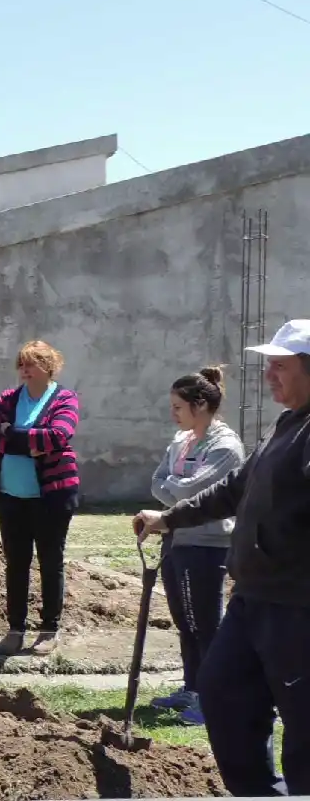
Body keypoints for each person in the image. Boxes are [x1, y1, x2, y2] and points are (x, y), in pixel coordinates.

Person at [135, 320, 310, 797]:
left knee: (303, 720)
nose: (269, 375)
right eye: (268, 365)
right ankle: (260, 792)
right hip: (254, 597)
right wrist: (169, 518)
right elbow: (236, 489)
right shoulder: (287, 424)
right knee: (223, 692)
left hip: (296, 604)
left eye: (280, 366)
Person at [148, 366, 244, 725]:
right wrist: (178, 484)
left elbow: (195, 492)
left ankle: (213, 697)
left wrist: (176, 486)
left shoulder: (225, 446)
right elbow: (157, 482)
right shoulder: (181, 441)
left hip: (206, 544)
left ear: (199, 404)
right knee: (185, 622)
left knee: (206, 623)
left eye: (177, 407)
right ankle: (193, 686)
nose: (172, 414)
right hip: (176, 537)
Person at [0, 340, 80, 656]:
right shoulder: (9, 399)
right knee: (16, 563)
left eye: (30, 363)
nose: (24, 370)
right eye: (21, 364)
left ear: (47, 367)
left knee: (51, 562)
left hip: (51, 498)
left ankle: (49, 629)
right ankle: (15, 629)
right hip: (12, 497)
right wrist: (29, 442)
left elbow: (58, 435)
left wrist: (12, 435)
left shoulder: (64, 398)